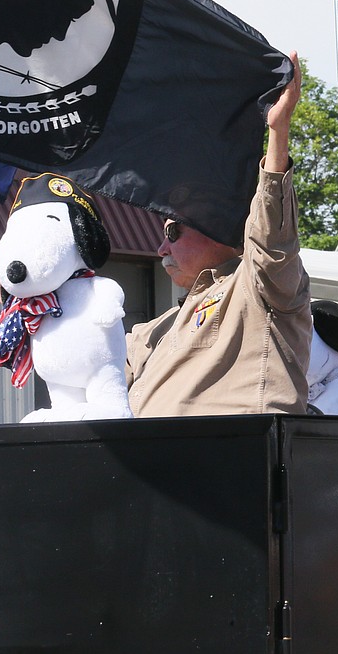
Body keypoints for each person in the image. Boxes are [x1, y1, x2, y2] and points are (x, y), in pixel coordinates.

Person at [125, 51, 311, 416]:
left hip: (240, 463)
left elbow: (272, 240)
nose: (161, 246)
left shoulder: (260, 286)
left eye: (174, 231)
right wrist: (26, 298)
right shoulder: (156, 328)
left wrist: (277, 132)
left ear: (220, 226)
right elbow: (92, 361)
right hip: (160, 465)